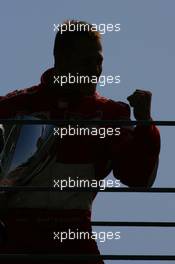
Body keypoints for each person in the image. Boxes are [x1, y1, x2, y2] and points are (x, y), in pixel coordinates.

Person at [0, 20, 160, 264]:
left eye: (99, 62)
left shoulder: (109, 113)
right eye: (87, 62)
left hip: (73, 237)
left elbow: (138, 178)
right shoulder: (12, 106)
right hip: (13, 236)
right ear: (61, 59)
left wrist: (145, 124)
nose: (96, 70)